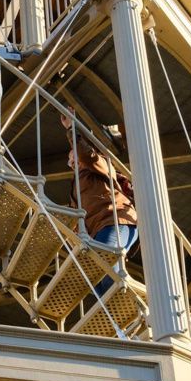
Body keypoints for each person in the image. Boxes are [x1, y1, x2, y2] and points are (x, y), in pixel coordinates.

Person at [62, 114, 138, 297]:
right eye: (70, 161)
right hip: (99, 228)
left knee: (104, 265)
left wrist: (71, 129)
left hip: (115, 220)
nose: (71, 162)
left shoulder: (99, 164)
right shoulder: (76, 186)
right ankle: (117, 318)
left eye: (73, 157)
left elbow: (86, 155)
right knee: (93, 279)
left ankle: (128, 307)